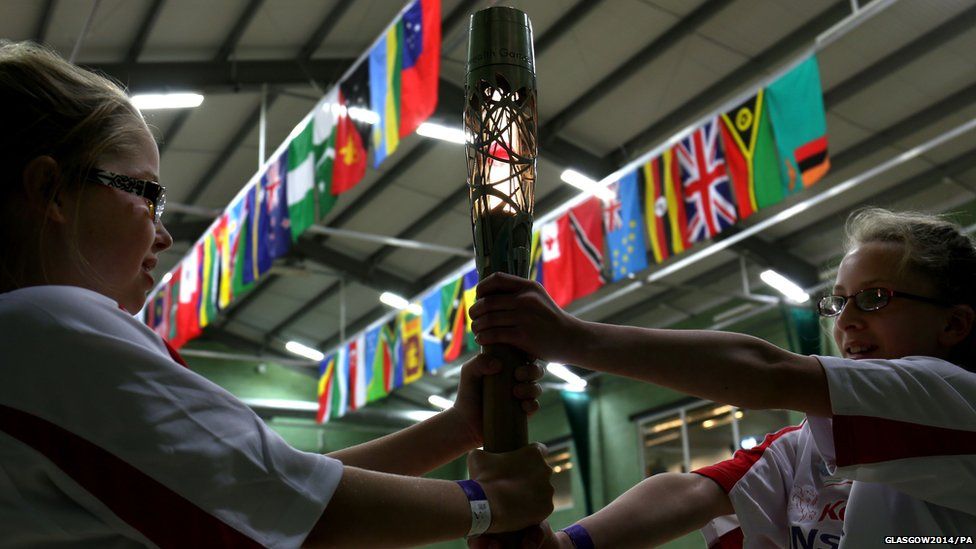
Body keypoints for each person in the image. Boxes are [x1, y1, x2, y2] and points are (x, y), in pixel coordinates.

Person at [0, 40, 553, 548]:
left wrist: (458, 428)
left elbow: (267, 486)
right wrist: (492, 503)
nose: (163, 234)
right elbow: (296, 507)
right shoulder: (46, 326)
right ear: (51, 189)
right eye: (147, 196)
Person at [470, 208, 976, 547]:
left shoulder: (958, 401)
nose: (846, 320)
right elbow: (695, 491)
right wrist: (568, 544)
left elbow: (766, 373)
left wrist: (570, 339)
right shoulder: (804, 445)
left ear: (953, 323)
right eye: (839, 302)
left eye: (876, 298)